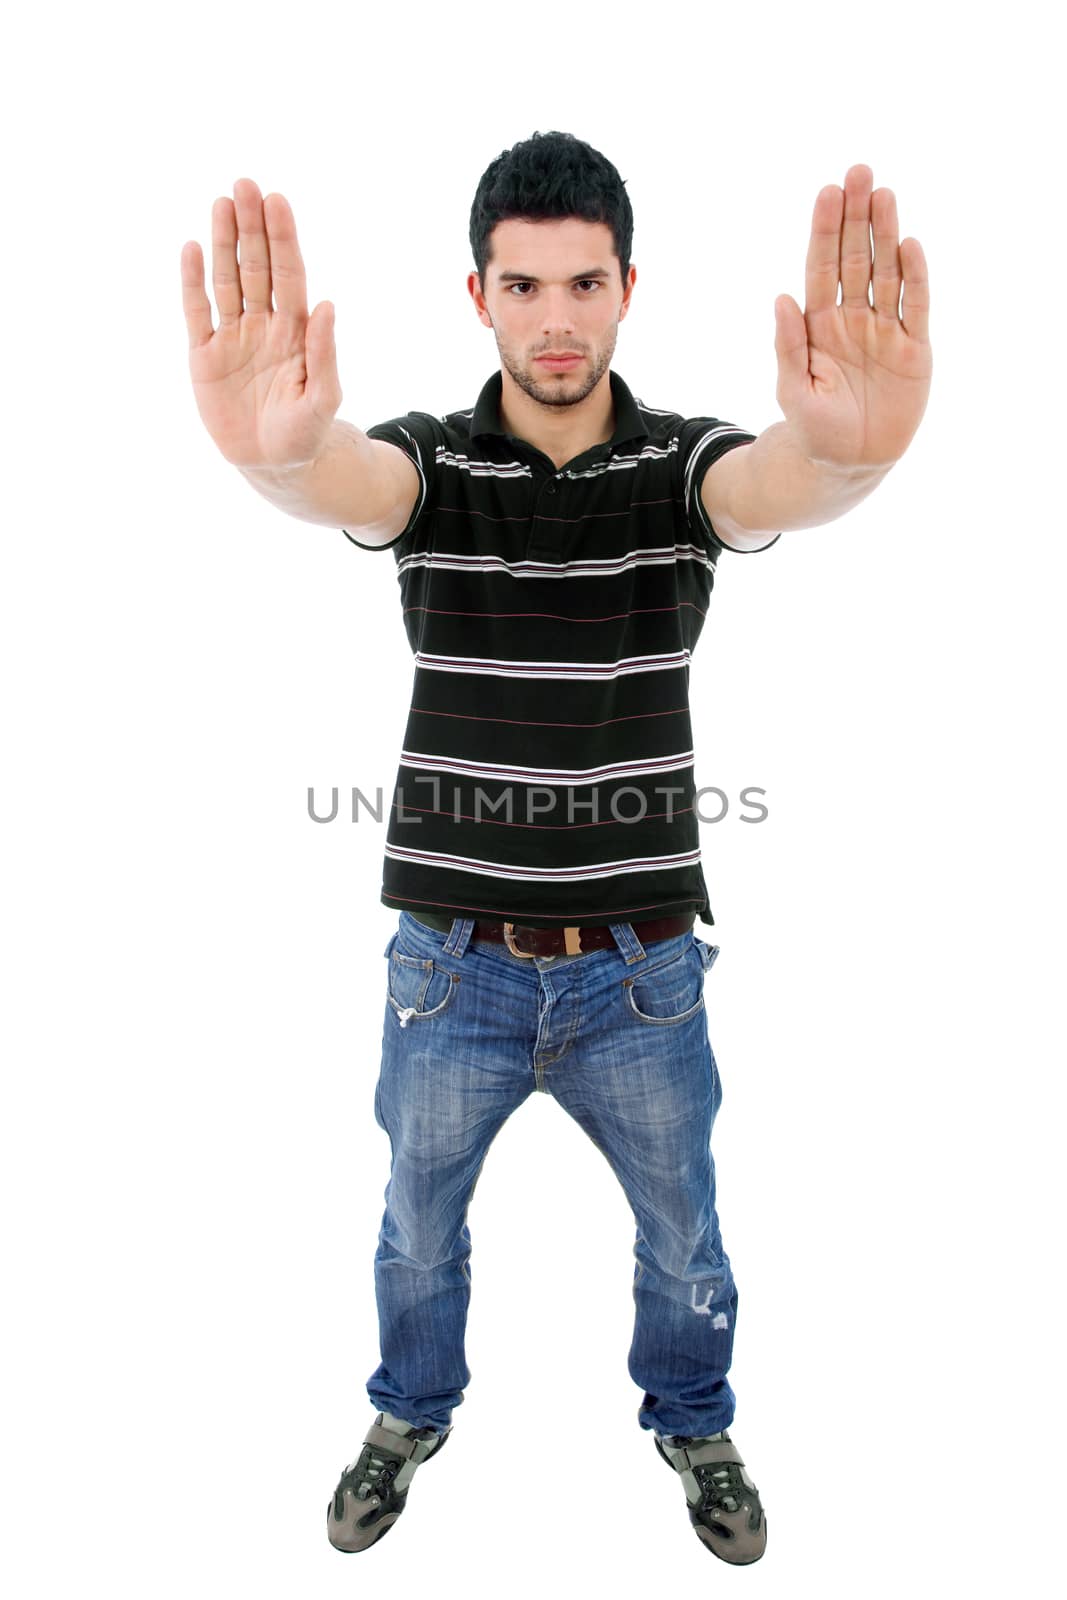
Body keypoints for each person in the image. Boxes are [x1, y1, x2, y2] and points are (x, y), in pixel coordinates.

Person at [181, 132, 931, 1565]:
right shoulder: (434, 465)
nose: (557, 319)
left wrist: (849, 459)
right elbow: (344, 481)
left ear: (628, 285)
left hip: (642, 981)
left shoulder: (678, 468)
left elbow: (778, 485)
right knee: (413, 1237)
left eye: (585, 282)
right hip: (448, 977)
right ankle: (409, 1413)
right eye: (523, 285)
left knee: (688, 1242)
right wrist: (279, 465)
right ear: (479, 296)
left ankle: (695, 1423)